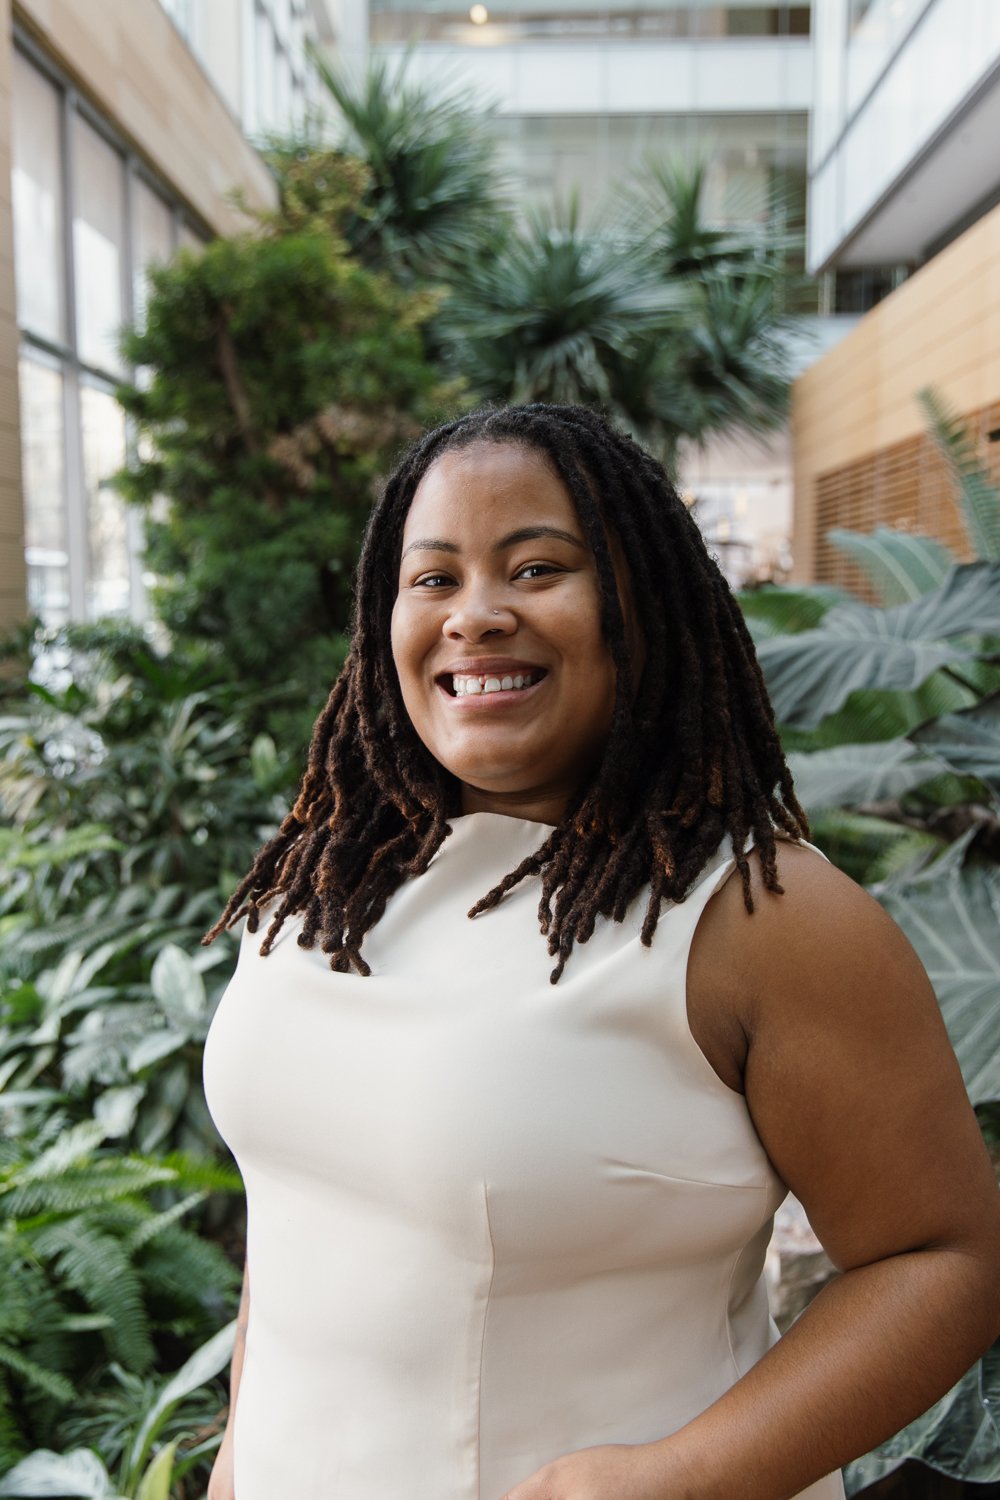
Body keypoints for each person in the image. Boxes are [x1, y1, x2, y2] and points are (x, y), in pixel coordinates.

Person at [202, 403, 1000, 1500]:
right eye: (432, 579)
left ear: (643, 603)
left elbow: (944, 1260)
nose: (475, 615)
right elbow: (301, 1227)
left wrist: (684, 1475)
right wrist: (238, 1464)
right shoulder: (326, 879)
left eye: (536, 568)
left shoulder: (759, 917)